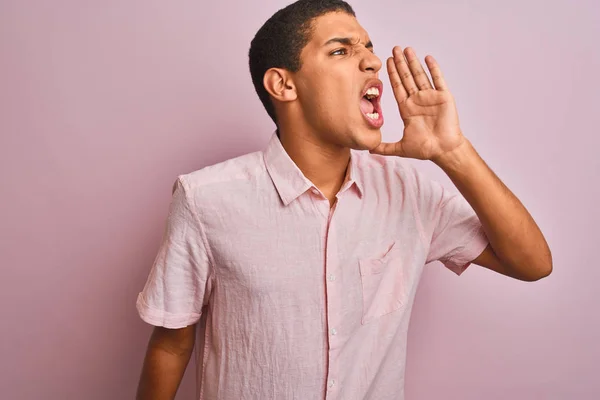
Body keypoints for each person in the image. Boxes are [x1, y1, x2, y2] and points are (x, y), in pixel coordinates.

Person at [135, 0, 552, 399]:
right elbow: (171, 345)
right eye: (341, 50)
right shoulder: (205, 199)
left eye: (368, 47)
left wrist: (452, 151)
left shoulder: (409, 191)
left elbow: (532, 263)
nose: (372, 61)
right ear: (283, 84)